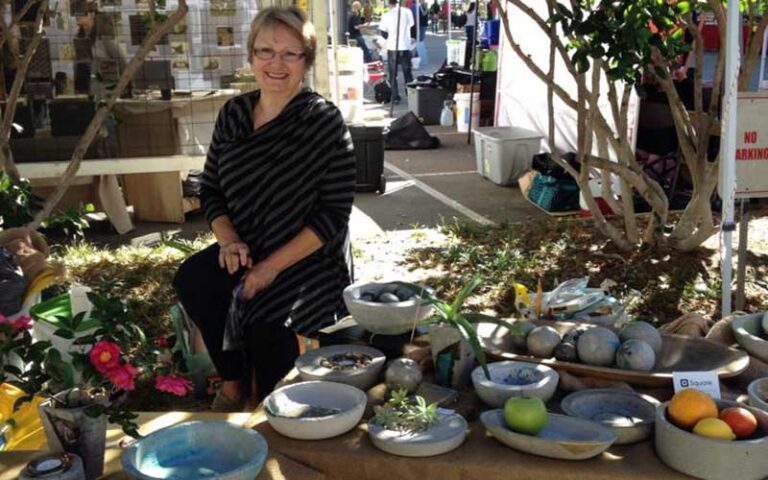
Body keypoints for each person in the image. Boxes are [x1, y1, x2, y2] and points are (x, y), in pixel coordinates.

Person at [174, 6, 356, 411]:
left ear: (306, 61)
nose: (276, 63)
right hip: (247, 244)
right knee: (196, 278)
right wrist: (229, 241)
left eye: (290, 53)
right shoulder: (234, 114)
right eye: (266, 51)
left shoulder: (322, 121)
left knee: (266, 320)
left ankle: (274, 408)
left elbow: (333, 213)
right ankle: (235, 381)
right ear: (251, 56)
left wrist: (270, 267)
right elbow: (212, 189)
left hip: (307, 256)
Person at [379, 0, 414, 104]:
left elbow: (383, 32)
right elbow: (411, 25)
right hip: (404, 45)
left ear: (389, 3)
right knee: (407, 72)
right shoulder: (407, 12)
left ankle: (395, 97)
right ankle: (411, 94)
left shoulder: (387, 15)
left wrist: (389, 38)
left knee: (393, 73)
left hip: (392, 46)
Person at [464, 2, 476, 69]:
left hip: (467, 26)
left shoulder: (467, 12)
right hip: (472, 26)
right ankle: (470, 48)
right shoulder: (474, 11)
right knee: (472, 39)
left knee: (469, 39)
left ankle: (469, 47)